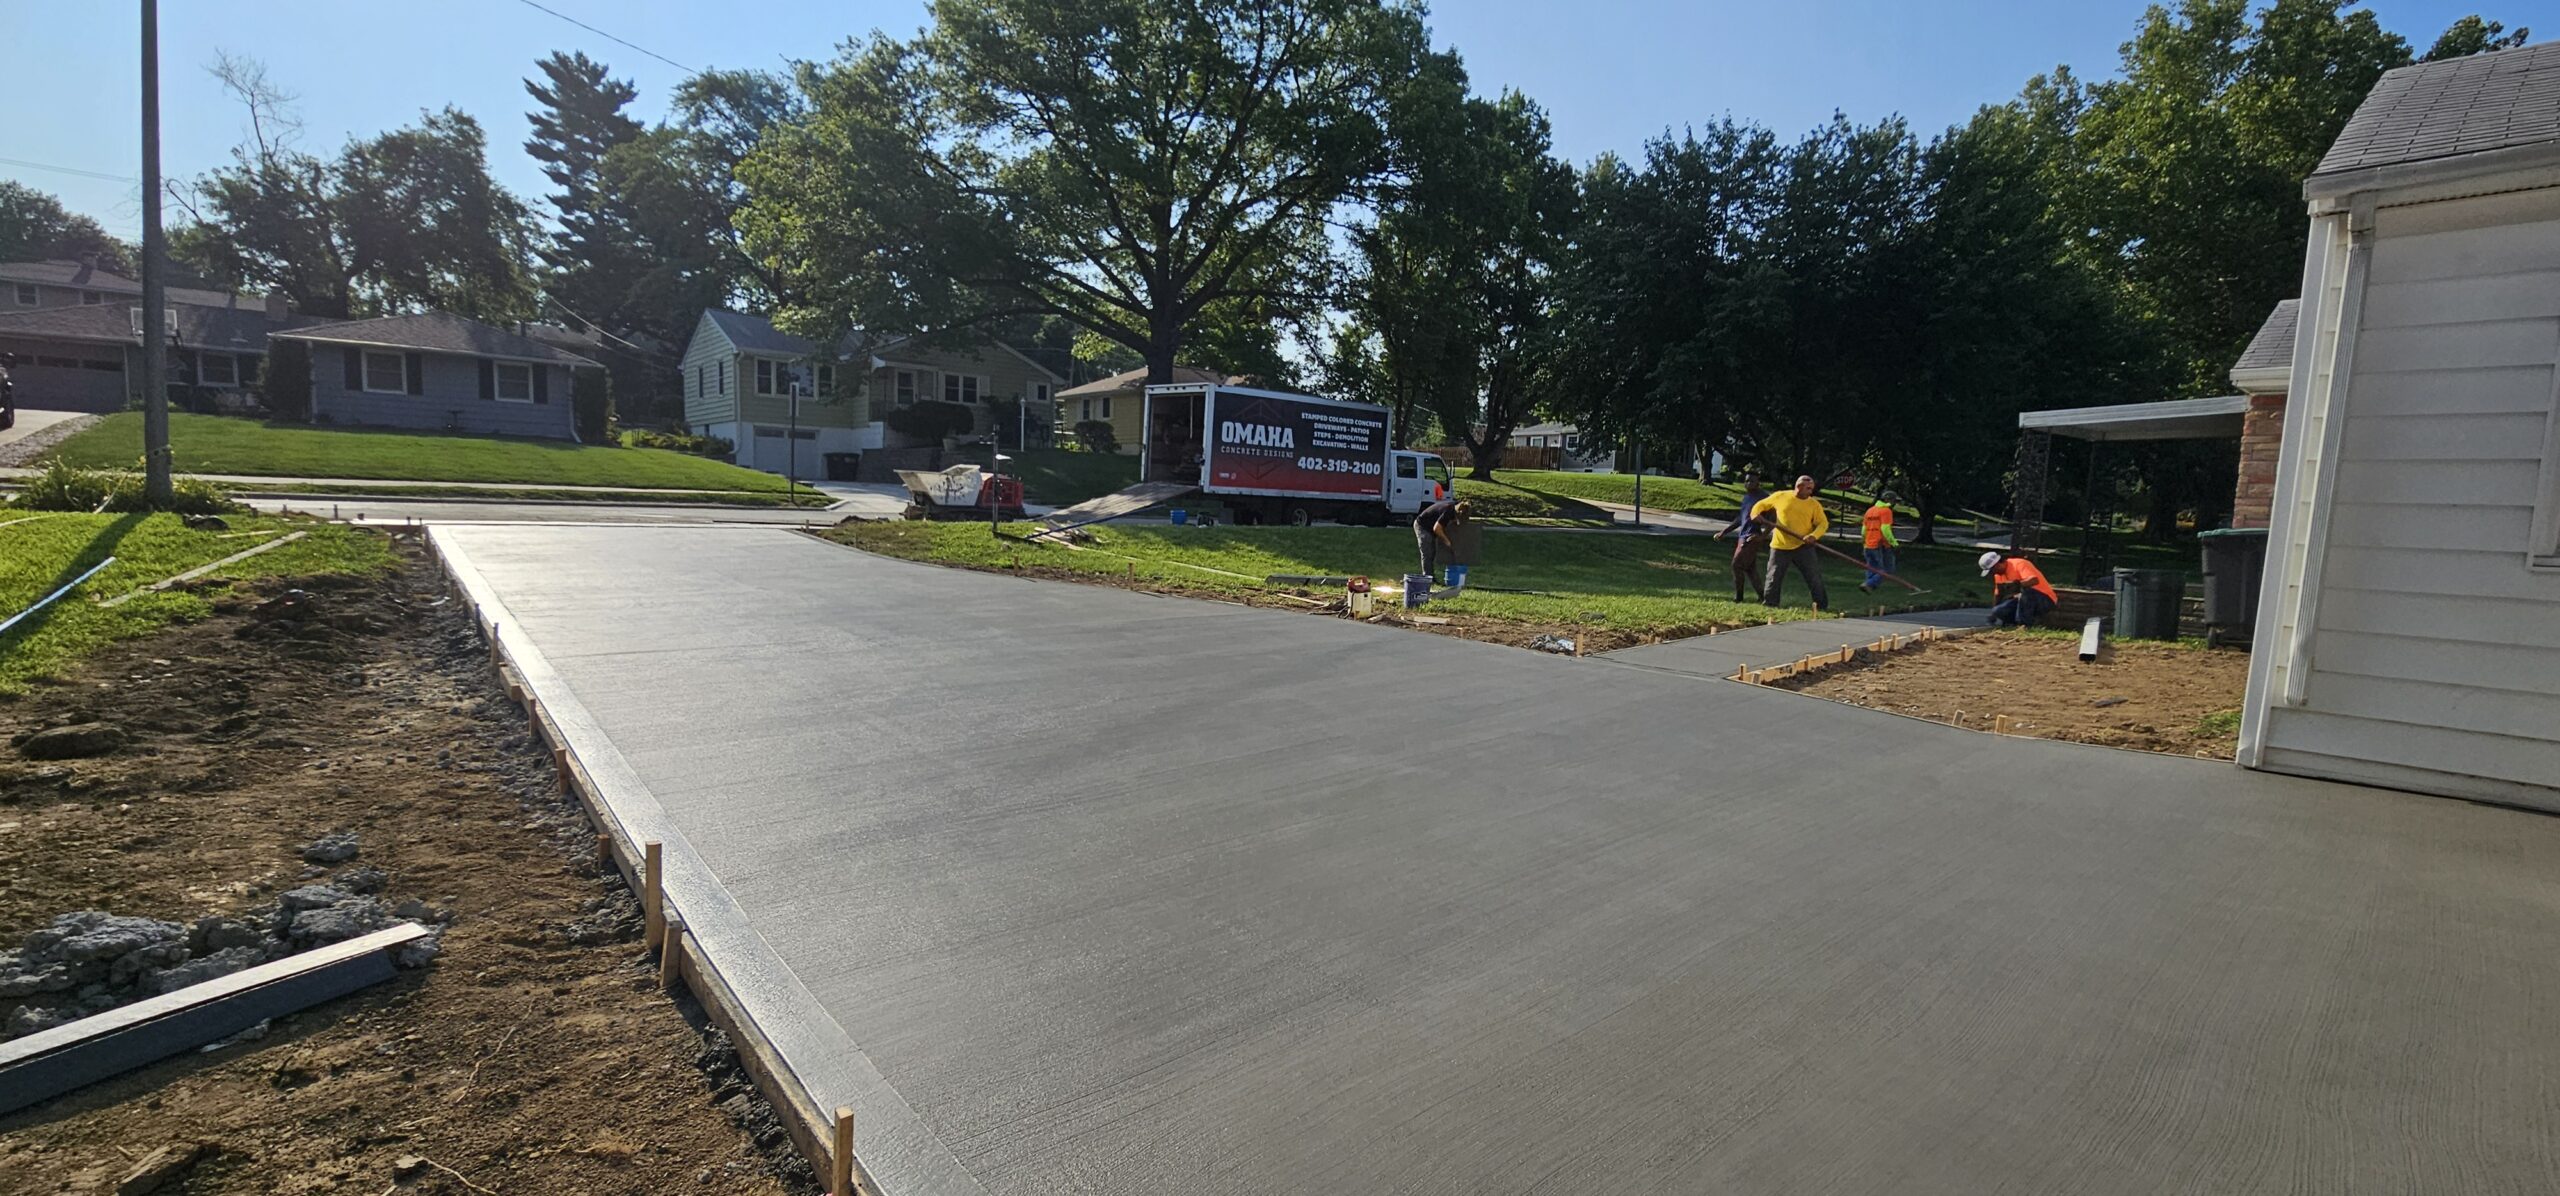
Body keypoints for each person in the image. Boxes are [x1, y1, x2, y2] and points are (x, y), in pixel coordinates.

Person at [1750, 475, 1830, 612]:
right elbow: (1761, 504)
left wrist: (1813, 536)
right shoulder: (1781, 496)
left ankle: (1821, 605)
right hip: (1780, 545)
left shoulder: (1814, 505)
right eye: (1808, 488)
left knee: (1813, 576)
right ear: (1798, 487)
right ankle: (1770, 604)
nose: (1811, 491)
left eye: (1812, 488)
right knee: (1773, 576)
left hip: (1803, 546)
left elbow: (1823, 524)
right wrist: (1755, 514)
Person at [1719, 475, 1771, 602]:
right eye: (1746, 480)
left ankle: (1739, 597)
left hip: (1752, 536)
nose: (1748, 483)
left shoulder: (1764, 498)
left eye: (1752, 481)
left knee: (1736, 565)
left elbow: (1773, 520)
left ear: (1758, 483)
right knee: (1750, 568)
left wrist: (1762, 536)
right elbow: (1740, 519)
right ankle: (1763, 597)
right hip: (1743, 535)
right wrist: (1724, 532)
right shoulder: (1747, 497)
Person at [1981, 550, 2058, 627]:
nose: (1993, 573)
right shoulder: (1998, 575)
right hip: (2022, 602)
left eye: (1992, 570)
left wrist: (2017, 584)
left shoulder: (2019, 564)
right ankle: (2014, 624)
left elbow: (2034, 580)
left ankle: (2024, 625)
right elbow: (1998, 594)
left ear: (1998, 565)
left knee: (2026, 592)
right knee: (1998, 610)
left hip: (2044, 600)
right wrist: (1993, 614)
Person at [1414, 498, 1470, 581]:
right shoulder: (1448, 511)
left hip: (1431, 525)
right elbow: (1437, 529)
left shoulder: (1459, 506)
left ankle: (1430, 576)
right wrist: (1447, 542)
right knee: (1428, 552)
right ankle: (1428, 578)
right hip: (1422, 525)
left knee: (1432, 551)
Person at [1859, 494, 1899, 592]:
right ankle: (1869, 584)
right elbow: (1885, 529)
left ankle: (1869, 587)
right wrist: (1894, 543)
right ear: (1888, 500)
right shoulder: (1886, 511)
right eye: (1894, 501)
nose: (1895, 503)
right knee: (1888, 568)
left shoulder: (1870, 511)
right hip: (1880, 544)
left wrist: (1864, 541)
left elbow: (1864, 530)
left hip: (1868, 545)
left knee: (1872, 568)